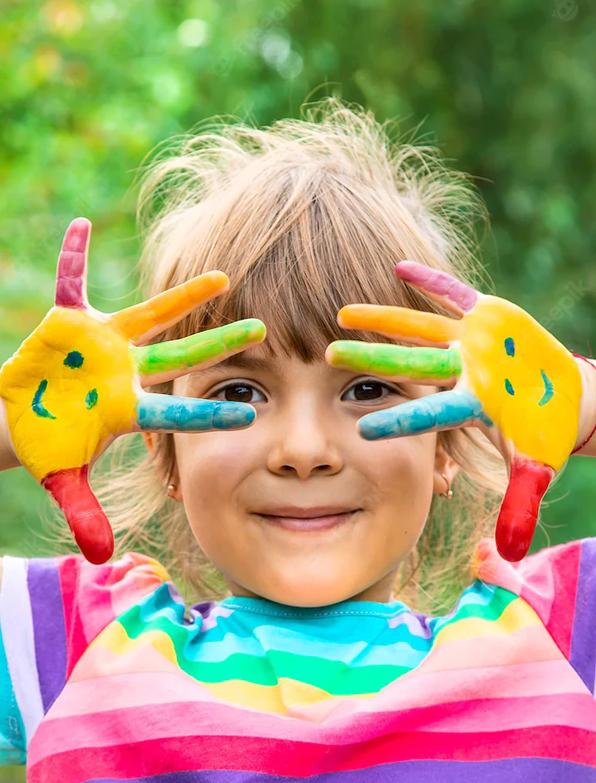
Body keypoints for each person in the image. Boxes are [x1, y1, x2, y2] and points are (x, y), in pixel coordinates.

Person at [0, 98, 595, 781]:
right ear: (165, 448)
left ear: (448, 444)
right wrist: (21, 416)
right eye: (237, 392)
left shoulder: (557, 639)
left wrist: (574, 401)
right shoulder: (76, 645)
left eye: (369, 387)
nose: (303, 448)